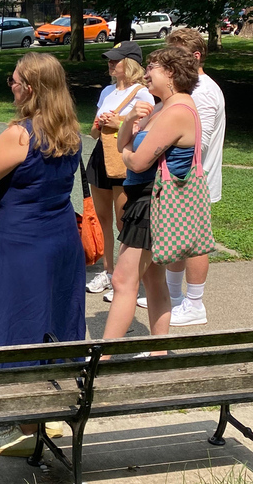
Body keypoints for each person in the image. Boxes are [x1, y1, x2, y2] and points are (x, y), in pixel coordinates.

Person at [0, 53, 85, 457]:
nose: (11, 85)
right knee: (55, 320)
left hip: (20, 245)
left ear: (31, 88)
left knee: (20, 325)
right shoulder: (70, 130)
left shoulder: (21, 135)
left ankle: (25, 426)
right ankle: (49, 410)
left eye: (15, 80)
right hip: (60, 240)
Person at [101, 46, 200, 356]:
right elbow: (121, 141)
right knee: (152, 278)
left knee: (122, 280)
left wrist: (128, 153)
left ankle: (103, 357)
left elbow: (137, 161)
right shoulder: (160, 107)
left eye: (152, 68)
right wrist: (130, 118)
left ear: (170, 73)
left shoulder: (178, 112)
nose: (145, 73)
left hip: (153, 202)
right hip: (143, 198)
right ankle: (158, 353)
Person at [162, 28, 227, 326]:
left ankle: (195, 303)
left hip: (196, 179)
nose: (168, 62)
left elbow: (196, 144)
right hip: (183, 179)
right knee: (178, 238)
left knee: (195, 241)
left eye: (174, 56)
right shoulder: (190, 89)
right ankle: (173, 297)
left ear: (195, 56)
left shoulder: (203, 93)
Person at [85, 42, 154, 305]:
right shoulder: (106, 91)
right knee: (103, 219)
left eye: (117, 60)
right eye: (110, 60)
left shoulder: (144, 94)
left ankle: (128, 279)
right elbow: (92, 132)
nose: (111, 64)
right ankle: (108, 270)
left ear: (132, 64)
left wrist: (120, 123)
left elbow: (146, 131)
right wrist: (99, 124)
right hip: (101, 157)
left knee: (123, 220)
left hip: (123, 160)